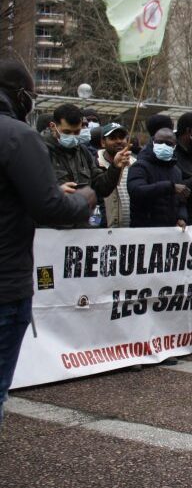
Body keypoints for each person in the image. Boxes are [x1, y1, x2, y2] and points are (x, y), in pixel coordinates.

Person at [0, 59, 95, 426]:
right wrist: (84, 199)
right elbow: (49, 206)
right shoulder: (18, 136)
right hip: (6, 282)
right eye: (32, 95)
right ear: (21, 95)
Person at [44, 103, 128, 227]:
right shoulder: (40, 150)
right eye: (66, 132)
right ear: (53, 126)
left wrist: (115, 167)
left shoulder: (83, 152)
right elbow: (29, 191)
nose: (72, 137)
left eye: (77, 132)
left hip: (82, 229)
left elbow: (101, 187)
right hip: (51, 230)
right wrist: (55, 193)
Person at [127, 128, 189, 230]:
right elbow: (136, 191)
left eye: (169, 144)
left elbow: (181, 201)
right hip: (143, 230)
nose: (164, 146)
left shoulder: (176, 171)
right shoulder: (139, 166)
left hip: (169, 232)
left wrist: (182, 217)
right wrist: (170, 187)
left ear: (174, 146)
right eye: (160, 142)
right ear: (153, 142)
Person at [96, 122, 135, 228]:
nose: (118, 141)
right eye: (113, 138)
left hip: (132, 232)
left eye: (122, 137)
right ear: (103, 142)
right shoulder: (95, 164)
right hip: (105, 230)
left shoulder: (136, 165)